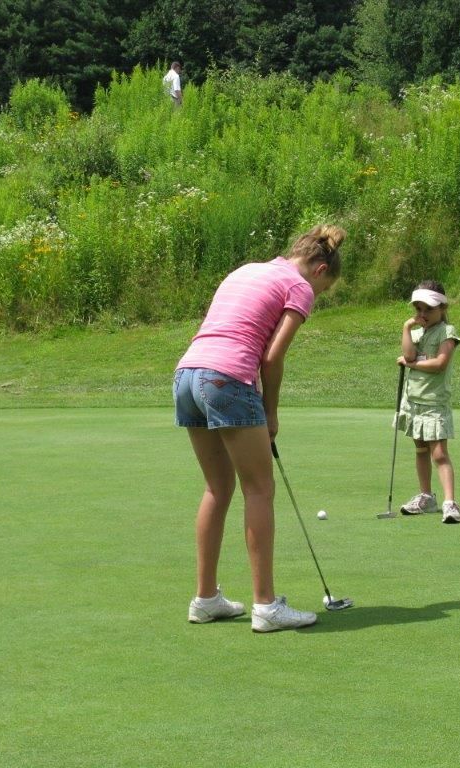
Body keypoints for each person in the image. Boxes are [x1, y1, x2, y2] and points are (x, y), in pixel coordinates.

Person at [174, 225, 345, 632]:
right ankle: (266, 607)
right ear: (320, 270)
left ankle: (206, 599)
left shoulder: (246, 270)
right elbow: (271, 357)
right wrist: (270, 413)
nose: (315, 297)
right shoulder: (298, 286)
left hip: (187, 375)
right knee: (259, 489)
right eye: (323, 291)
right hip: (228, 378)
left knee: (218, 487)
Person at [396, 280, 460, 524]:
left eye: (429, 309)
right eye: (418, 309)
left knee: (439, 454)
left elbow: (439, 364)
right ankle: (426, 496)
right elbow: (408, 354)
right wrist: (407, 326)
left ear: (443, 308)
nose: (422, 314)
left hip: (434, 402)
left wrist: (411, 365)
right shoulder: (416, 332)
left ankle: (449, 502)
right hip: (413, 401)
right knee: (421, 450)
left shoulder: (447, 332)